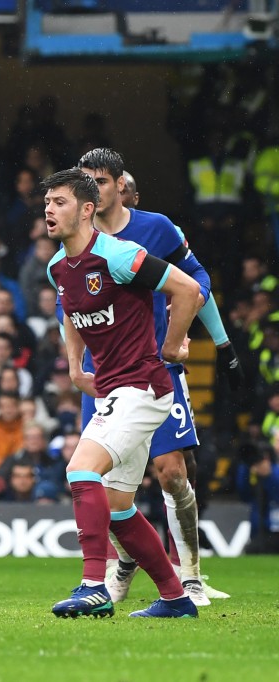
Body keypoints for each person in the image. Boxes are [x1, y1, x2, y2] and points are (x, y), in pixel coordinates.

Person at [75, 150, 237, 606]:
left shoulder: (156, 229)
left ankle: (190, 578)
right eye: (84, 181)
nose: (92, 189)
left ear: (120, 186)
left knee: (170, 472)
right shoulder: (76, 236)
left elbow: (195, 276)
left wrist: (189, 330)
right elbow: (66, 306)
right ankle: (124, 564)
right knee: (106, 488)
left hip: (156, 368)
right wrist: (74, 366)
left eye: (101, 181)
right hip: (104, 376)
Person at [44, 167, 202, 619]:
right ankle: (175, 598)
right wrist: (76, 368)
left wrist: (171, 347)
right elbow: (72, 315)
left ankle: (93, 584)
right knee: (117, 508)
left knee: (80, 470)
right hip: (112, 389)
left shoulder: (120, 255)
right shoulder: (58, 266)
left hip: (143, 386)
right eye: (48, 202)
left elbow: (188, 288)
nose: (49, 209)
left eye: (60, 202)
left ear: (87, 209)